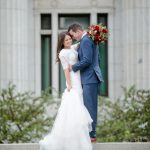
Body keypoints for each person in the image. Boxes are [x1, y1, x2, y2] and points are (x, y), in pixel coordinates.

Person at [39, 31, 93, 150]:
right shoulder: (63, 53)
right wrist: (69, 84)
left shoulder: (72, 48)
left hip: (79, 77)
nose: (69, 41)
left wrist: (93, 33)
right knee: (75, 106)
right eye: (66, 40)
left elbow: (81, 42)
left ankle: (79, 136)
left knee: (79, 104)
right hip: (73, 80)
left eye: (69, 39)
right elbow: (65, 70)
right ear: (62, 43)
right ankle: (74, 137)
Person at [68, 23, 103, 142]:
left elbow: (87, 60)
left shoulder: (86, 40)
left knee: (90, 106)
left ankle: (92, 134)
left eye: (73, 35)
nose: (73, 38)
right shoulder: (87, 39)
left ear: (77, 31)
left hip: (90, 78)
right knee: (89, 106)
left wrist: (73, 67)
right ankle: (90, 133)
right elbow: (97, 58)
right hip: (90, 77)